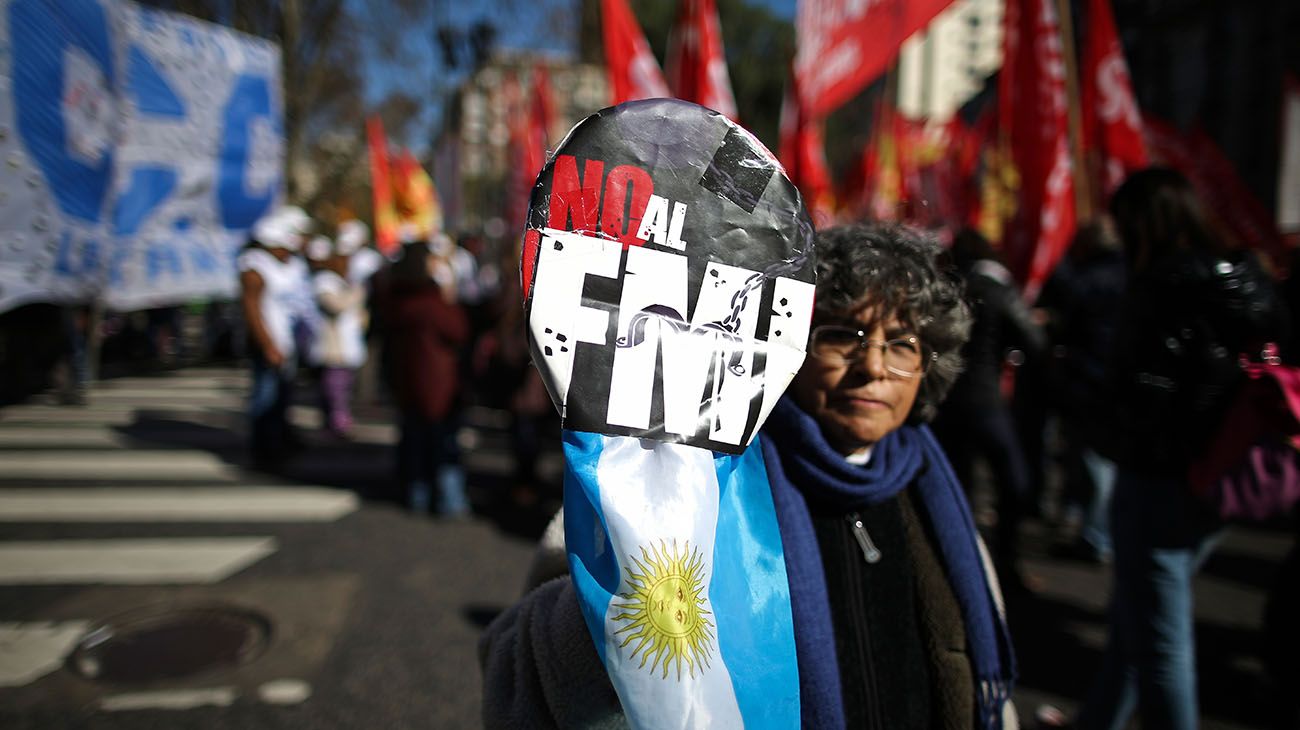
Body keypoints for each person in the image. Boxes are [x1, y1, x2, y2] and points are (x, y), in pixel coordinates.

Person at [479, 223, 1018, 729]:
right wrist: (621, 600)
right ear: (787, 348)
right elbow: (513, 666)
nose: (873, 365)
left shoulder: (941, 506)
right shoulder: (689, 483)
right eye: (842, 336)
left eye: (901, 344)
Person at [1074, 168, 1288, 730]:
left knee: (1161, 644)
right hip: (1221, 472)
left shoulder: (1161, 285)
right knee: (1137, 623)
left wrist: (1092, 402)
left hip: (1159, 477)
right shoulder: (1248, 280)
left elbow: (1138, 386)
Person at [933, 228, 1047, 593]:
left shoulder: (949, 288)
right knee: (1012, 480)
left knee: (957, 486)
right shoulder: (996, 288)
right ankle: (1006, 559)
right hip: (985, 399)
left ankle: (959, 562)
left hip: (947, 400)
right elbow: (1033, 339)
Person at [377, 236, 471, 517]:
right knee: (442, 445)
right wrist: (450, 295)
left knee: (414, 441)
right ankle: (450, 502)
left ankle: (416, 496)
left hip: (406, 380)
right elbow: (458, 330)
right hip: (436, 382)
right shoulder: (431, 302)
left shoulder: (395, 298)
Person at [238, 206, 313, 467]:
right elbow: (252, 309)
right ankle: (263, 450)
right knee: (265, 399)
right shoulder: (254, 267)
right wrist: (268, 344)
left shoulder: (288, 265)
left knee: (282, 398)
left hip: (286, 343)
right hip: (269, 345)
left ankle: (280, 440)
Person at [305, 235, 368, 438]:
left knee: (342, 386)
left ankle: (336, 420)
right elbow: (335, 304)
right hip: (333, 346)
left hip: (346, 343)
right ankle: (336, 422)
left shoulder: (343, 280)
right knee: (333, 388)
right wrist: (356, 295)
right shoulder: (324, 281)